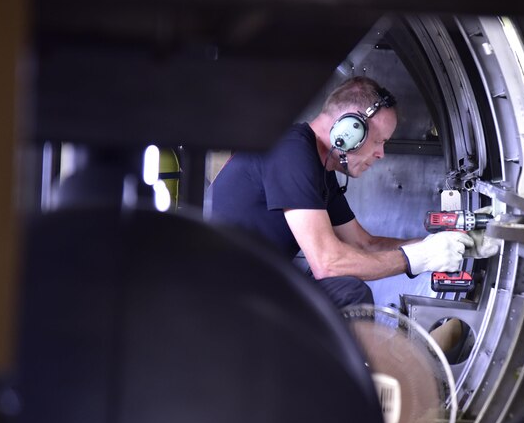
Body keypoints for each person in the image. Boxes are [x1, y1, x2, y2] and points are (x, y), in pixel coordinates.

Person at [209, 76, 498, 308]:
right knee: (347, 291)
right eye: (378, 141)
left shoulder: (318, 166)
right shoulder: (291, 152)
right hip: (227, 299)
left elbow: (364, 244)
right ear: (350, 129)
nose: (381, 153)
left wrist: (444, 243)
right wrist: (418, 258)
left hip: (259, 291)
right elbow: (328, 264)